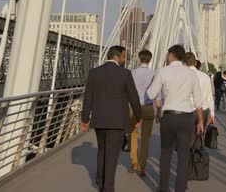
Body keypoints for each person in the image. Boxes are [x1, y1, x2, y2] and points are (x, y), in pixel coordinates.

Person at [81, 46, 142, 192]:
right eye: (124, 57)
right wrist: (138, 116)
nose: (125, 59)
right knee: (112, 155)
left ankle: (100, 182)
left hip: (99, 120)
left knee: (102, 150)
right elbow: (134, 98)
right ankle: (108, 187)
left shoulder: (94, 72)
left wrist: (84, 119)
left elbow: (87, 98)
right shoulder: (125, 74)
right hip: (117, 121)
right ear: (117, 57)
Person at [147, 45, 204, 192]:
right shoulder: (191, 74)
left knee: (166, 154)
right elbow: (198, 100)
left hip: (169, 117)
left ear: (171, 55)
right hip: (186, 118)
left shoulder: (162, 71)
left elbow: (151, 94)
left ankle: (163, 188)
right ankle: (180, 189)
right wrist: (201, 121)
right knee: (183, 156)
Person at [128, 49, 158, 177]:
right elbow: (158, 94)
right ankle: (142, 166)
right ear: (150, 59)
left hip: (133, 107)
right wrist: (160, 111)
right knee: (145, 138)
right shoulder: (154, 74)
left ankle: (134, 162)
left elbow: (127, 91)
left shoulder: (132, 73)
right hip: (148, 106)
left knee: (133, 134)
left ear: (139, 59)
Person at [184, 53, 215, 134]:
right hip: (203, 110)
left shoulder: (182, 76)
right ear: (195, 63)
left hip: (187, 110)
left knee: (185, 138)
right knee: (199, 136)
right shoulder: (205, 77)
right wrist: (212, 113)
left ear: (184, 63)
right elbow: (209, 97)